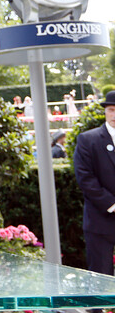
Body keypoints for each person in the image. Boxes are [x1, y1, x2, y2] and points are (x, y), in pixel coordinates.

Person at [74, 91, 115, 275]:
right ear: (105, 112)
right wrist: (111, 204)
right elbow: (85, 177)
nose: (114, 115)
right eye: (111, 110)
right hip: (100, 221)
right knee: (100, 279)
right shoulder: (88, 139)